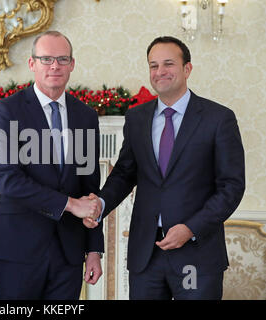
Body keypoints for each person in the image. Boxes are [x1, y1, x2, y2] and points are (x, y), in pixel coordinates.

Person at [94, 36, 245, 299]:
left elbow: (231, 187)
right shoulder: (136, 118)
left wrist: (190, 228)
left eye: (168, 64)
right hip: (146, 255)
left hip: (196, 254)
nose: (160, 72)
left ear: (187, 69)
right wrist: (101, 204)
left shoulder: (219, 119)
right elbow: (124, 173)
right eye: (153, 66)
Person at [0, 30, 104, 299]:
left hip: (69, 252)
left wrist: (94, 250)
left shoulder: (86, 116)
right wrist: (70, 204)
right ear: (32, 64)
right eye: (46, 58)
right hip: (17, 247)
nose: (54, 66)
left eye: (62, 59)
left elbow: (90, 188)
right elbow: (9, 180)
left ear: (72, 64)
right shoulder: (6, 111)